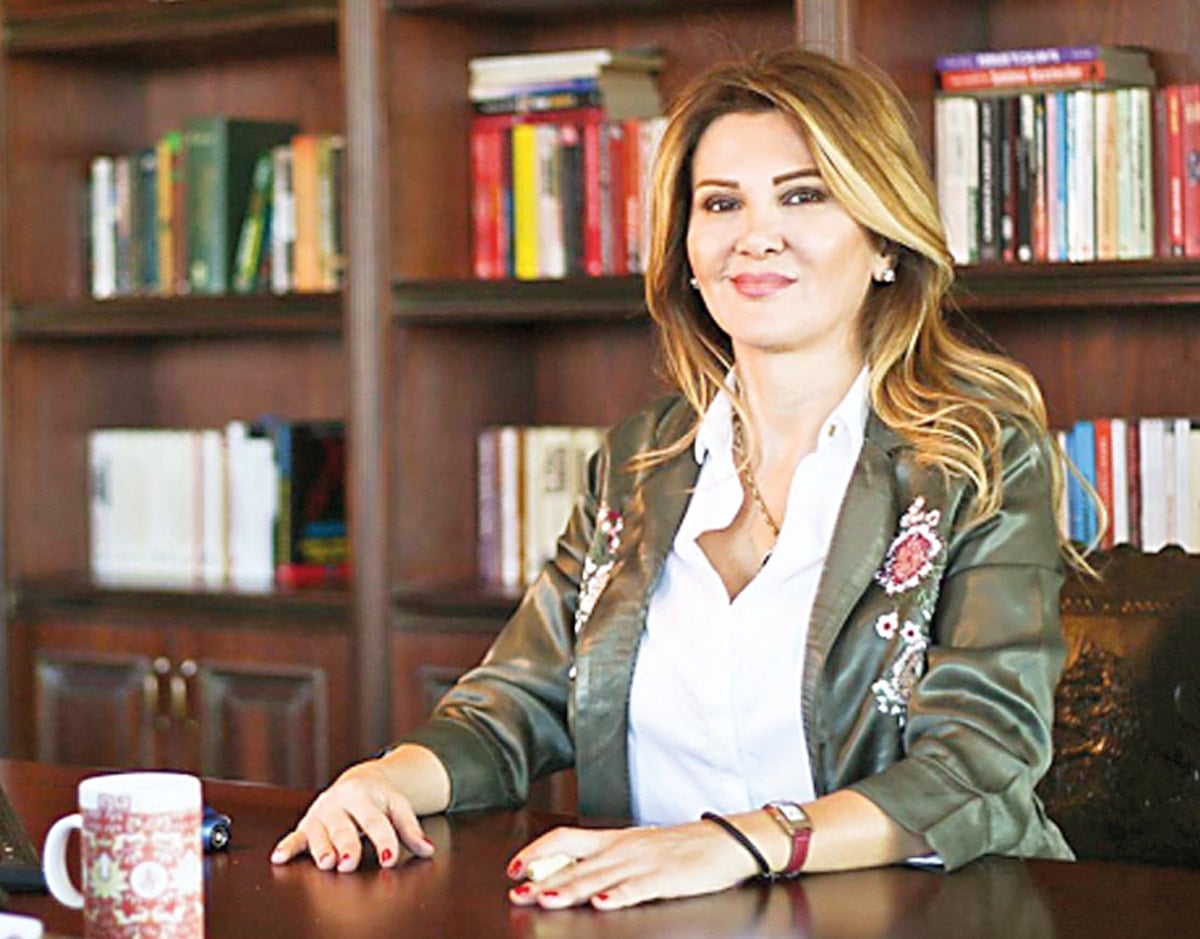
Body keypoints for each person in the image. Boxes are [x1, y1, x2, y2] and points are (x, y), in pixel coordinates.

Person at [270, 46, 1076, 909]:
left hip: (919, 917)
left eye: (803, 195)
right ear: (687, 252)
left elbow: (979, 762)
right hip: (654, 914)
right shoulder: (641, 460)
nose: (755, 236)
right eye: (721, 203)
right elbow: (516, 702)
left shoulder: (976, 459)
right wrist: (382, 781)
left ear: (883, 239)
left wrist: (731, 844)